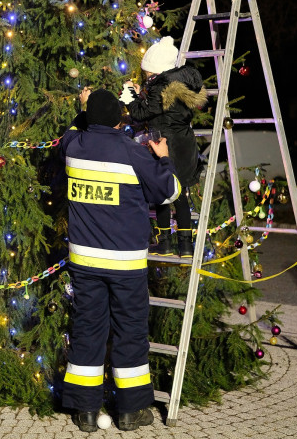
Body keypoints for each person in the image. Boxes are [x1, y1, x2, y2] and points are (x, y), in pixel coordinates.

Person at [61, 87, 181, 432]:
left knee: (87, 329)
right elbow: (169, 191)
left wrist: (84, 106)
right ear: (119, 120)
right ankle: (131, 411)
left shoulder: (72, 146)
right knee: (129, 331)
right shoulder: (133, 153)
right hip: (125, 264)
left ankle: (84, 411)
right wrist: (163, 157)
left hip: (83, 262)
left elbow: (73, 128)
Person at [119, 36, 207, 258]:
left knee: (163, 194)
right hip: (185, 143)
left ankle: (165, 243)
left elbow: (140, 114)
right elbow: (159, 109)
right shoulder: (179, 84)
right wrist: (143, 95)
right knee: (181, 195)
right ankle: (186, 246)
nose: (146, 77)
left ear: (156, 71)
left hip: (165, 145)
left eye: (148, 74)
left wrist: (130, 95)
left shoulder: (162, 86)